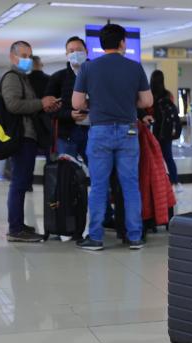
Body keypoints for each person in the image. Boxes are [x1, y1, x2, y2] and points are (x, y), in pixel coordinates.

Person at [72, 23, 153, 251]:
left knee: (99, 186)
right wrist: (128, 103)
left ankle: (96, 238)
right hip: (128, 130)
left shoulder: (88, 68)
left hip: (100, 131)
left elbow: (76, 104)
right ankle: (135, 237)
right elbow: (147, 102)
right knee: (129, 185)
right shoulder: (134, 67)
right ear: (122, 43)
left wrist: (94, 103)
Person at [1, 41, 60, 242]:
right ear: (12, 57)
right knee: (19, 183)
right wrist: (40, 103)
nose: (26, 59)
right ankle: (15, 229)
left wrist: (44, 106)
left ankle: (18, 225)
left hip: (29, 136)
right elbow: (13, 105)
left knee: (22, 181)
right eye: (22, 55)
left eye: (29, 55)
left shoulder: (22, 78)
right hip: (21, 137)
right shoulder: (11, 78)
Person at [46, 36, 90, 162]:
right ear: (66, 54)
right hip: (67, 133)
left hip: (94, 131)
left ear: (86, 52)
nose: (75, 53)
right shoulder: (58, 78)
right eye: (71, 51)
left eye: (79, 50)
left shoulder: (97, 74)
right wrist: (69, 114)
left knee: (96, 169)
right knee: (67, 171)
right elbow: (49, 108)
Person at [140, 69, 181, 192]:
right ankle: (175, 182)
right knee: (168, 157)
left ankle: (154, 182)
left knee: (151, 157)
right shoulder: (168, 95)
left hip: (151, 131)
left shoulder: (148, 94)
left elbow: (146, 110)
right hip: (166, 132)